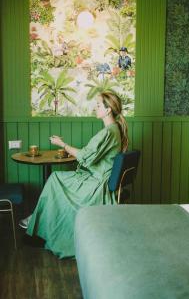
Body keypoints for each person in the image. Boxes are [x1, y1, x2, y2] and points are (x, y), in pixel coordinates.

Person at [19, 92, 128, 258]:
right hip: (95, 179)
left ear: (108, 111)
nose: (95, 108)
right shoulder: (115, 129)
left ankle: (37, 229)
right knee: (56, 179)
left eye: (98, 105)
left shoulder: (108, 133)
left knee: (55, 179)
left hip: (96, 186)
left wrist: (62, 144)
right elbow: (90, 156)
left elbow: (85, 156)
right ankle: (37, 225)